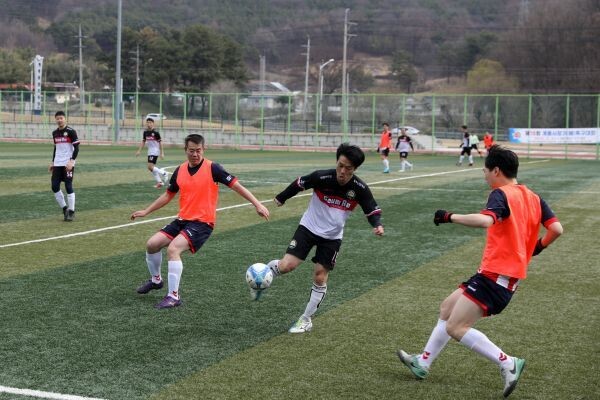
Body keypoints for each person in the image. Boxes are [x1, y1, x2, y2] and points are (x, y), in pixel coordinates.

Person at [397, 145, 563, 398]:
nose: (484, 175)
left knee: (455, 327)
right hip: (496, 274)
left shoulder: (500, 194)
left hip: (497, 276)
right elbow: (557, 229)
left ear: (496, 170)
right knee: (447, 308)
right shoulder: (534, 197)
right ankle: (424, 362)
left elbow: (486, 220)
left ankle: (508, 362)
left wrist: (449, 216)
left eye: (485, 170)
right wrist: (537, 247)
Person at [130, 134, 270, 309]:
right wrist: (146, 211)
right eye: (191, 151)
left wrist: (257, 204)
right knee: (152, 244)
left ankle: (173, 296)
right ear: (185, 150)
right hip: (182, 220)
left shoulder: (213, 168)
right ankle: (156, 280)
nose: (195, 154)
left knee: (173, 249)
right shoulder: (180, 170)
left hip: (203, 223)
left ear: (203, 149)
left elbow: (237, 186)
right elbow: (168, 195)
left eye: (198, 150)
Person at [258, 143, 384, 333]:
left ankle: (305, 319)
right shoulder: (321, 177)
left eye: (348, 168)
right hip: (308, 228)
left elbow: (371, 209)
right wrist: (281, 197)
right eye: (340, 165)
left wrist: (377, 224)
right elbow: (300, 183)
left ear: (355, 169)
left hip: (332, 237)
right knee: (286, 266)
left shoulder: (360, 188)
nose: (342, 171)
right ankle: (262, 276)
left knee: (320, 276)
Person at [49, 111, 80, 222]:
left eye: (61, 118)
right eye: (57, 118)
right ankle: (65, 208)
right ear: (55, 120)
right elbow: (56, 148)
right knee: (54, 186)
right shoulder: (54, 133)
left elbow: (76, 148)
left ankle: (71, 211)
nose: (59, 120)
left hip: (67, 163)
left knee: (68, 186)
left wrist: (71, 161)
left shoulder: (71, 131)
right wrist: (53, 162)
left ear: (65, 119)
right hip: (57, 163)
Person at [135, 117, 169, 188]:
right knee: (151, 168)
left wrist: (162, 153)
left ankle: (164, 173)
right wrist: (139, 151)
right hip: (150, 151)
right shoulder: (145, 132)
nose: (148, 124)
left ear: (153, 124)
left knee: (150, 167)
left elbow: (160, 143)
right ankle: (160, 182)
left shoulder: (156, 133)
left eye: (150, 122)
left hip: (155, 151)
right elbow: (143, 141)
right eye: (147, 122)